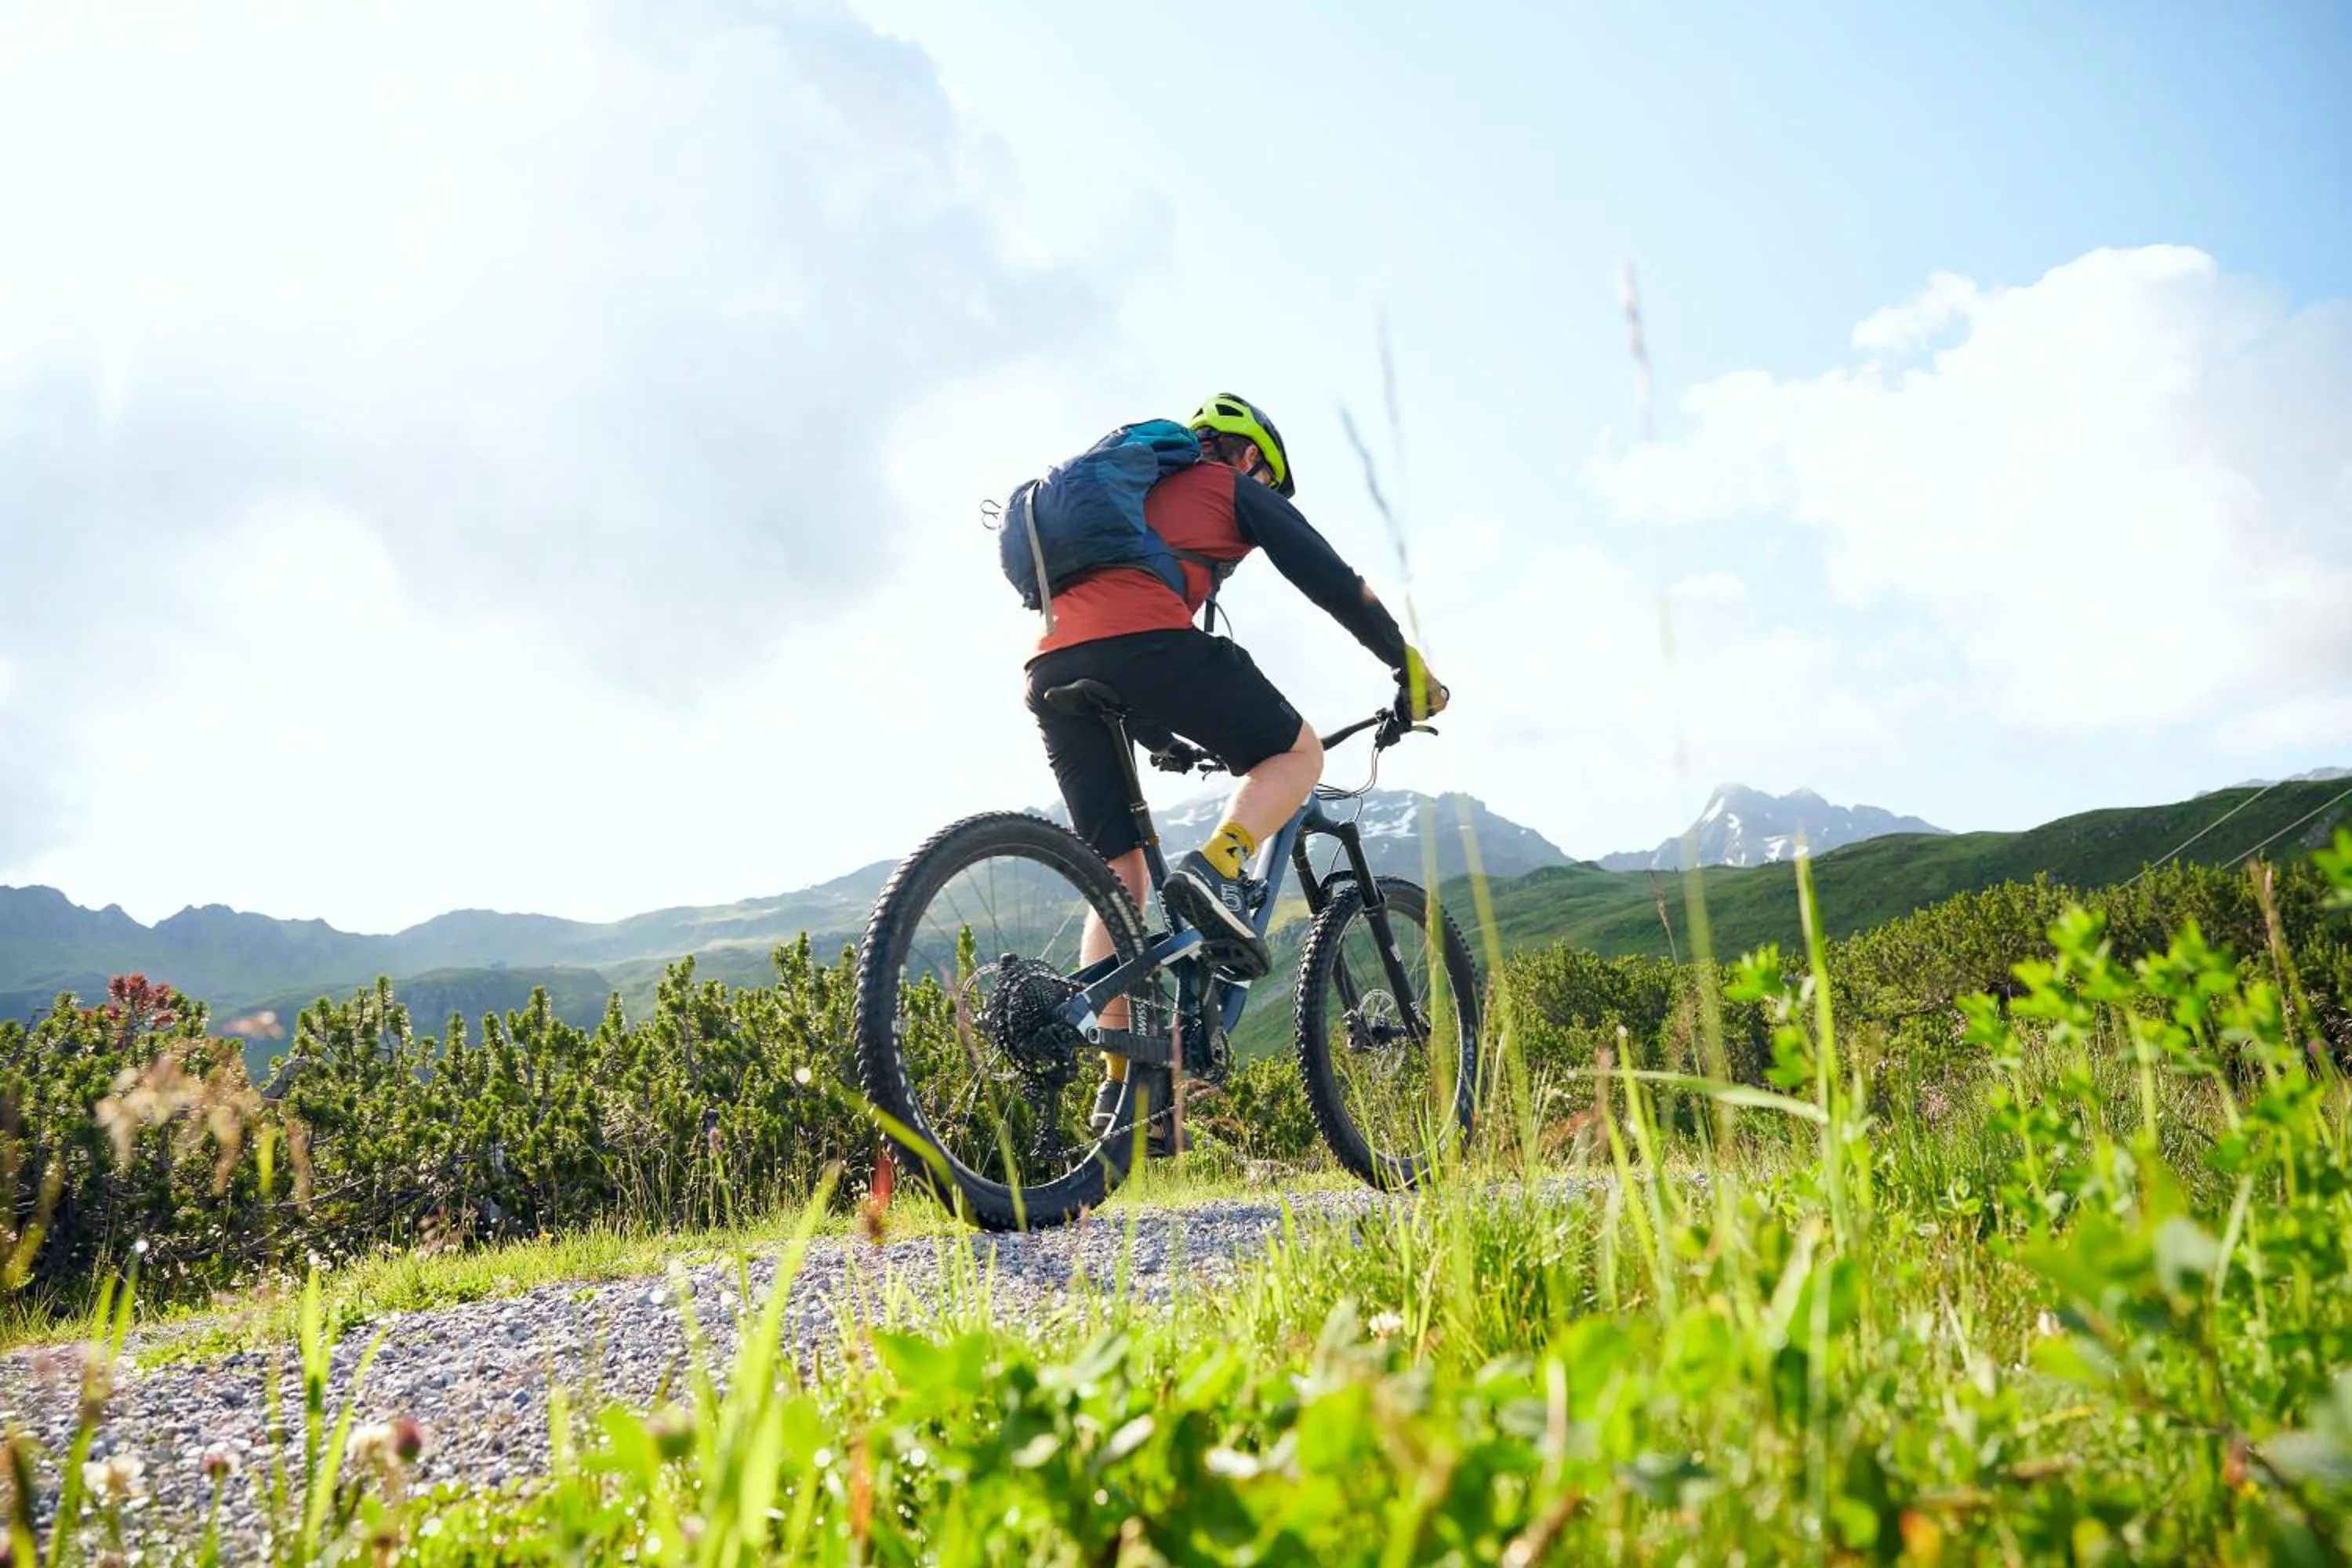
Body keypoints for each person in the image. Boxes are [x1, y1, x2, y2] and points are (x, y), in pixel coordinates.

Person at [1021, 393, 1448, 1138]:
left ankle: (1126, 1088)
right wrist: (1406, 667)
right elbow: (1333, 581)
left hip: (1051, 665)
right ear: (1248, 457)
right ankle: (1217, 867)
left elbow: (1114, 620)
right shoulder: (1229, 487)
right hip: (1144, 644)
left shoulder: (1127, 500)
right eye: (1266, 478)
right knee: (1295, 753)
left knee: (1116, 872)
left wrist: (1162, 738)